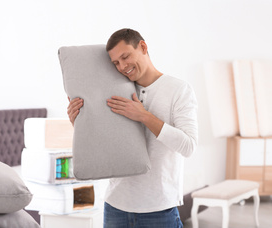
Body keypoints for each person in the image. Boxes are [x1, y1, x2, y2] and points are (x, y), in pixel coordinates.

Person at [67, 28, 198, 228]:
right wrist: (78, 121)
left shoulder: (178, 89)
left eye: (125, 56)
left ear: (143, 47)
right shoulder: (115, 90)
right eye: (116, 63)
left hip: (159, 208)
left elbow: (188, 146)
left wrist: (144, 116)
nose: (122, 66)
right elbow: (104, 141)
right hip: (116, 206)